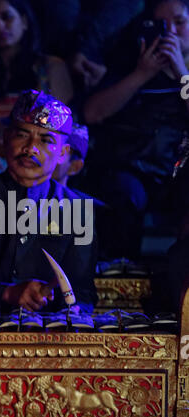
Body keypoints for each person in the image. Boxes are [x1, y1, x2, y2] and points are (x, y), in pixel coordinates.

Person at [0, 89, 97, 316]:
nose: (30, 148)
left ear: (63, 153)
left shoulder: (78, 211)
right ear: (6, 138)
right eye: (22, 135)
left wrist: (72, 311)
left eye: (45, 140)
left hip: (49, 339)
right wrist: (8, 294)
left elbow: (82, 294)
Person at [83, 0, 189, 260]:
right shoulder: (129, 63)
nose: (171, 33)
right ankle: (120, 280)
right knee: (123, 196)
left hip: (180, 171)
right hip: (133, 168)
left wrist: (181, 72)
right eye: (162, 25)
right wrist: (142, 74)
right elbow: (92, 113)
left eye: (179, 22)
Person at [0, 0, 74, 186]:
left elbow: (64, 130)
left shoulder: (49, 69)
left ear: (24, 21)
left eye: (7, 17)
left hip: (37, 155)